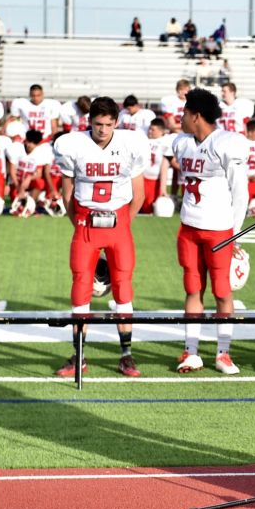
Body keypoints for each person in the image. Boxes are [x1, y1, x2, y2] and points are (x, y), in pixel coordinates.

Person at [51, 97, 150, 378]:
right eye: (98, 124)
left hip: (118, 222)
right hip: (86, 221)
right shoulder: (72, 144)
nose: (103, 130)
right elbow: (67, 193)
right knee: (81, 287)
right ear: (88, 122)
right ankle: (79, 356)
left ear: (116, 123)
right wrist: (80, 223)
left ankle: (126, 355)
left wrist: (122, 226)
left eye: (108, 124)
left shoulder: (131, 144)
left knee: (123, 289)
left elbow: (139, 194)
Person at [167, 88, 251, 375]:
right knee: (192, 288)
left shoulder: (227, 143)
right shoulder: (182, 143)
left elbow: (241, 191)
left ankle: (223, 353)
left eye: (185, 113)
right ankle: (191, 352)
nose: (181, 118)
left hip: (218, 230)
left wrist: (236, 232)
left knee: (222, 291)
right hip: (189, 227)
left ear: (196, 116)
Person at [6, 129, 60, 208]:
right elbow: (12, 171)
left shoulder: (40, 152)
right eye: (29, 142)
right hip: (16, 182)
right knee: (17, 203)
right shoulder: (16, 148)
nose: (30, 146)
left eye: (35, 144)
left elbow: (39, 173)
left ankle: (32, 204)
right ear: (26, 141)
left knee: (39, 182)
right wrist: (19, 187)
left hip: (29, 182)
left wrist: (29, 177)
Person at [140, 117, 173, 213]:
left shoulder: (166, 141)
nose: (150, 131)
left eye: (153, 129)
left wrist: (163, 188)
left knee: (151, 208)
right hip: (142, 178)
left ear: (161, 131)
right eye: (149, 129)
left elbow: (164, 168)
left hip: (155, 180)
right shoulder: (144, 140)